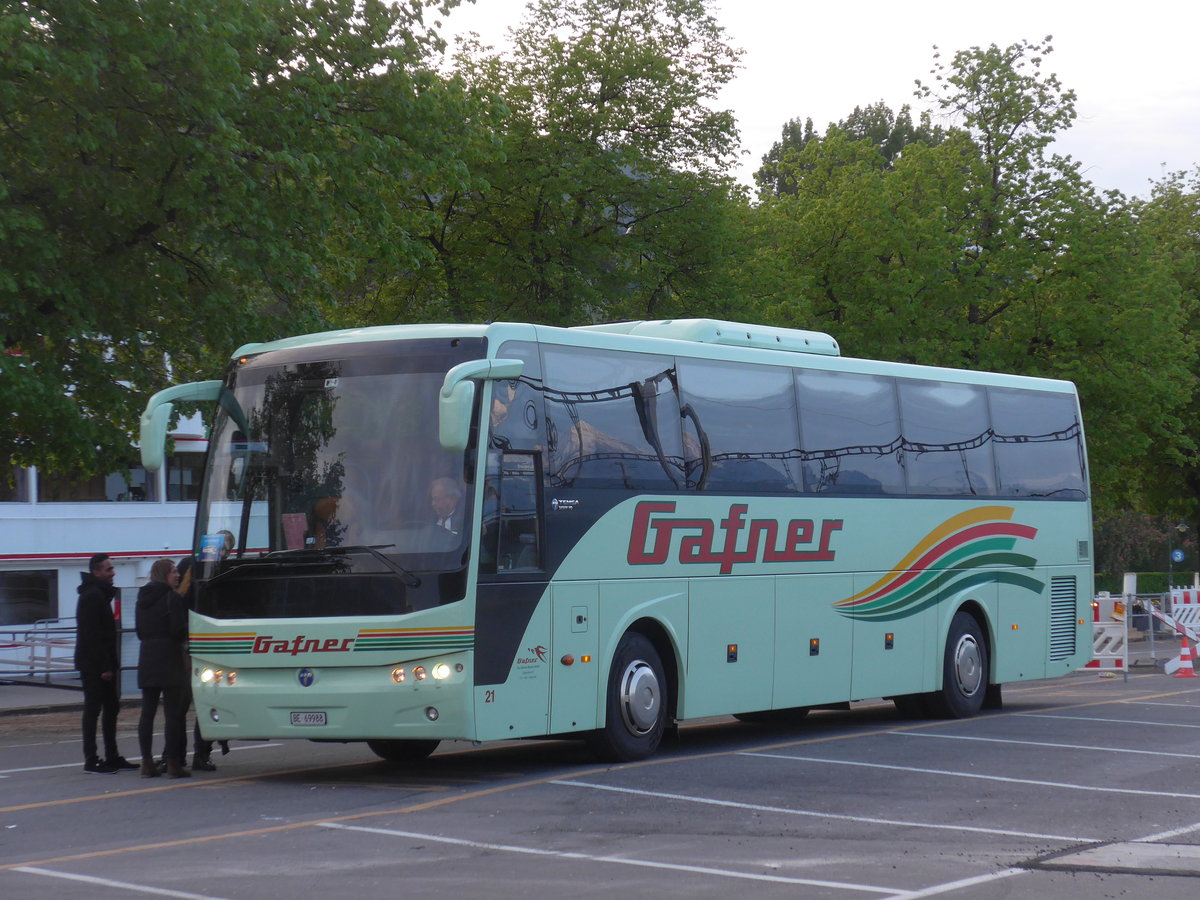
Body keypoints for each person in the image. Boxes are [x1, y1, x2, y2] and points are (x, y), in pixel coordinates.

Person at [75, 553, 137, 774]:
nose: (113, 573)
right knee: (94, 710)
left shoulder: (99, 595)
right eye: (108, 569)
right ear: (96, 572)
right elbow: (92, 635)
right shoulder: (93, 596)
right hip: (95, 665)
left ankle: (112, 756)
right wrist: (104, 667)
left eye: (112, 569)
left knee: (111, 708)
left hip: (102, 663)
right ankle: (91, 759)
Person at [135, 558, 190, 778]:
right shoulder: (172, 598)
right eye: (174, 571)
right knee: (173, 714)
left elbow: (139, 631)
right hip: (169, 657)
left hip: (147, 657)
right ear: (164, 574)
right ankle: (174, 763)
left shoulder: (142, 598)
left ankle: (147, 762)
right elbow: (178, 630)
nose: (177, 575)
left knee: (147, 713)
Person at [176, 553, 230, 772]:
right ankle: (197, 753)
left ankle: (179, 754)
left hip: (197, 642)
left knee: (185, 706)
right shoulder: (204, 571)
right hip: (198, 644)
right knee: (198, 702)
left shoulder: (194, 569)